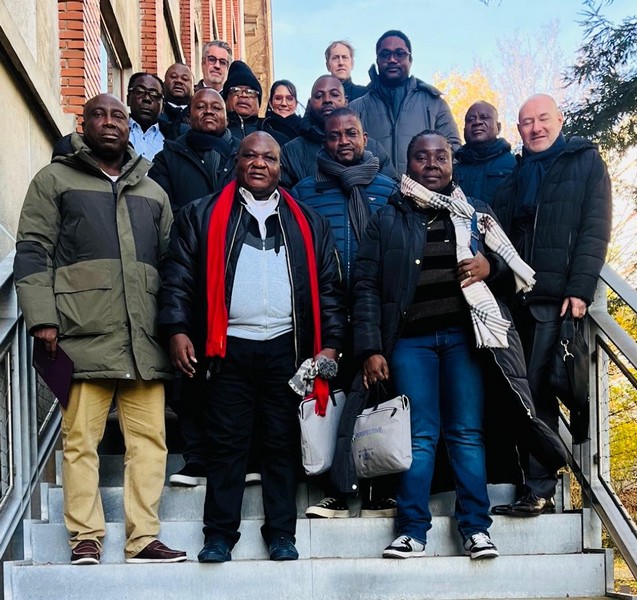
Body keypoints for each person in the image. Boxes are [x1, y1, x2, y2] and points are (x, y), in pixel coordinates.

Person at [351, 129, 547, 560]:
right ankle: (412, 530)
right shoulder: (388, 217)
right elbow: (364, 285)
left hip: (466, 340)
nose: (433, 163)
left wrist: (489, 265)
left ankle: (476, 529)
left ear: (452, 162)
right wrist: (370, 348)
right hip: (410, 343)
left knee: (466, 433)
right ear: (409, 164)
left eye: (441, 156)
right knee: (419, 436)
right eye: (423, 157)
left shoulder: (476, 214)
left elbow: (513, 269)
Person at [13, 93, 186, 565]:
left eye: (119, 117)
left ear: (129, 127)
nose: (110, 123)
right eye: (100, 115)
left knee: (150, 443)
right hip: (80, 332)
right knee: (80, 442)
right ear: (82, 124)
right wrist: (42, 318)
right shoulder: (55, 179)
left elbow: (172, 264)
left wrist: (173, 326)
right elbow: (32, 250)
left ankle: (143, 537)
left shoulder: (152, 190)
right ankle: (85, 537)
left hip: (143, 339)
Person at [159, 131, 346, 563]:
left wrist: (332, 344)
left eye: (270, 158)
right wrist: (176, 329)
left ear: (281, 168)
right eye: (250, 156)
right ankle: (219, 536)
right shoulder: (201, 215)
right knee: (228, 446)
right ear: (236, 162)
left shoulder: (309, 222)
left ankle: (282, 534)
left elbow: (330, 290)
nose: (260, 164)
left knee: (281, 446)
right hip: (228, 349)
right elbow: (178, 279)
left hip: (288, 349)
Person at [491, 94, 612, 517]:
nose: (535, 127)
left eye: (543, 119)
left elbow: (594, 228)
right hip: (515, 300)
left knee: (542, 387)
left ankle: (540, 486)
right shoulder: (516, 174)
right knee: (518, 388)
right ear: (518, 129)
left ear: (559, 120)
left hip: (556, 299)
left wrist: (580, 289)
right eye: (526, 122)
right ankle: (533, 481)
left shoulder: (583, 163)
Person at [292, 107, 397, 518]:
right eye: (334, 136)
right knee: (330, 400)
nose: (343, 141)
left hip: (379, 309)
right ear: (325, 142)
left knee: (377, 396)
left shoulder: (390, 190)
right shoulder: (305, 192)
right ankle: (332, 491)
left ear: (365, 138)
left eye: (350, 133)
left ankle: (378, 490)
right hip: (326, 309)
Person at [349, 30, 461, 175]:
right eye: (385, 54)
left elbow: (454, 151)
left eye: (399, 53)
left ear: (410, 60)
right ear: (377, 60)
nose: (392, 59)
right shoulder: (357, 108)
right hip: (373, 194)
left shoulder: (434, 104)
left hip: (425, 193)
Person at [281, 75, 397, 188]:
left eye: (334, 95)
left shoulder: (374, 148)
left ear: (346, 101)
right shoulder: (291, 152)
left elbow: (394, 194)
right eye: (319, 96)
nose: (327, 100)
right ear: (310, 104)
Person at [150, 88, 239, 216]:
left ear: (227, 119)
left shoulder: (244, 156)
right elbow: (163, 209)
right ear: (189, 118)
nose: (209, 111)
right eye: (201, 107)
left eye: (216, 108)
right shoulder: (166, 159)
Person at [454, 101, 516, 205]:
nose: (477, 122)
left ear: (498, 127)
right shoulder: (453, 169)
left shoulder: (514, 165)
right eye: (471, 119)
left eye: (484, 117)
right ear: (464, 129)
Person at [221, 60, 290, 146]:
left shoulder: (278, 140)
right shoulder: (216, 136)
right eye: (236, 90)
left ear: (259, 102)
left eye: (250, 92)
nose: (243, 95)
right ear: (226, 99)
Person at [126, 72, 167, 160]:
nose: (147, 99)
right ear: (128, 99)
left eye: (154, 95)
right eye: (139, 91)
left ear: (163, 106)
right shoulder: (116, 131)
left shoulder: (173, 137)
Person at [159, 62, 194, 140]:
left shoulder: (197, 115)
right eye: (173, 77)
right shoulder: (156, 113)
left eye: (185, 79)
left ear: (193, 87)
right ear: (164, 83)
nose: (178, 81)